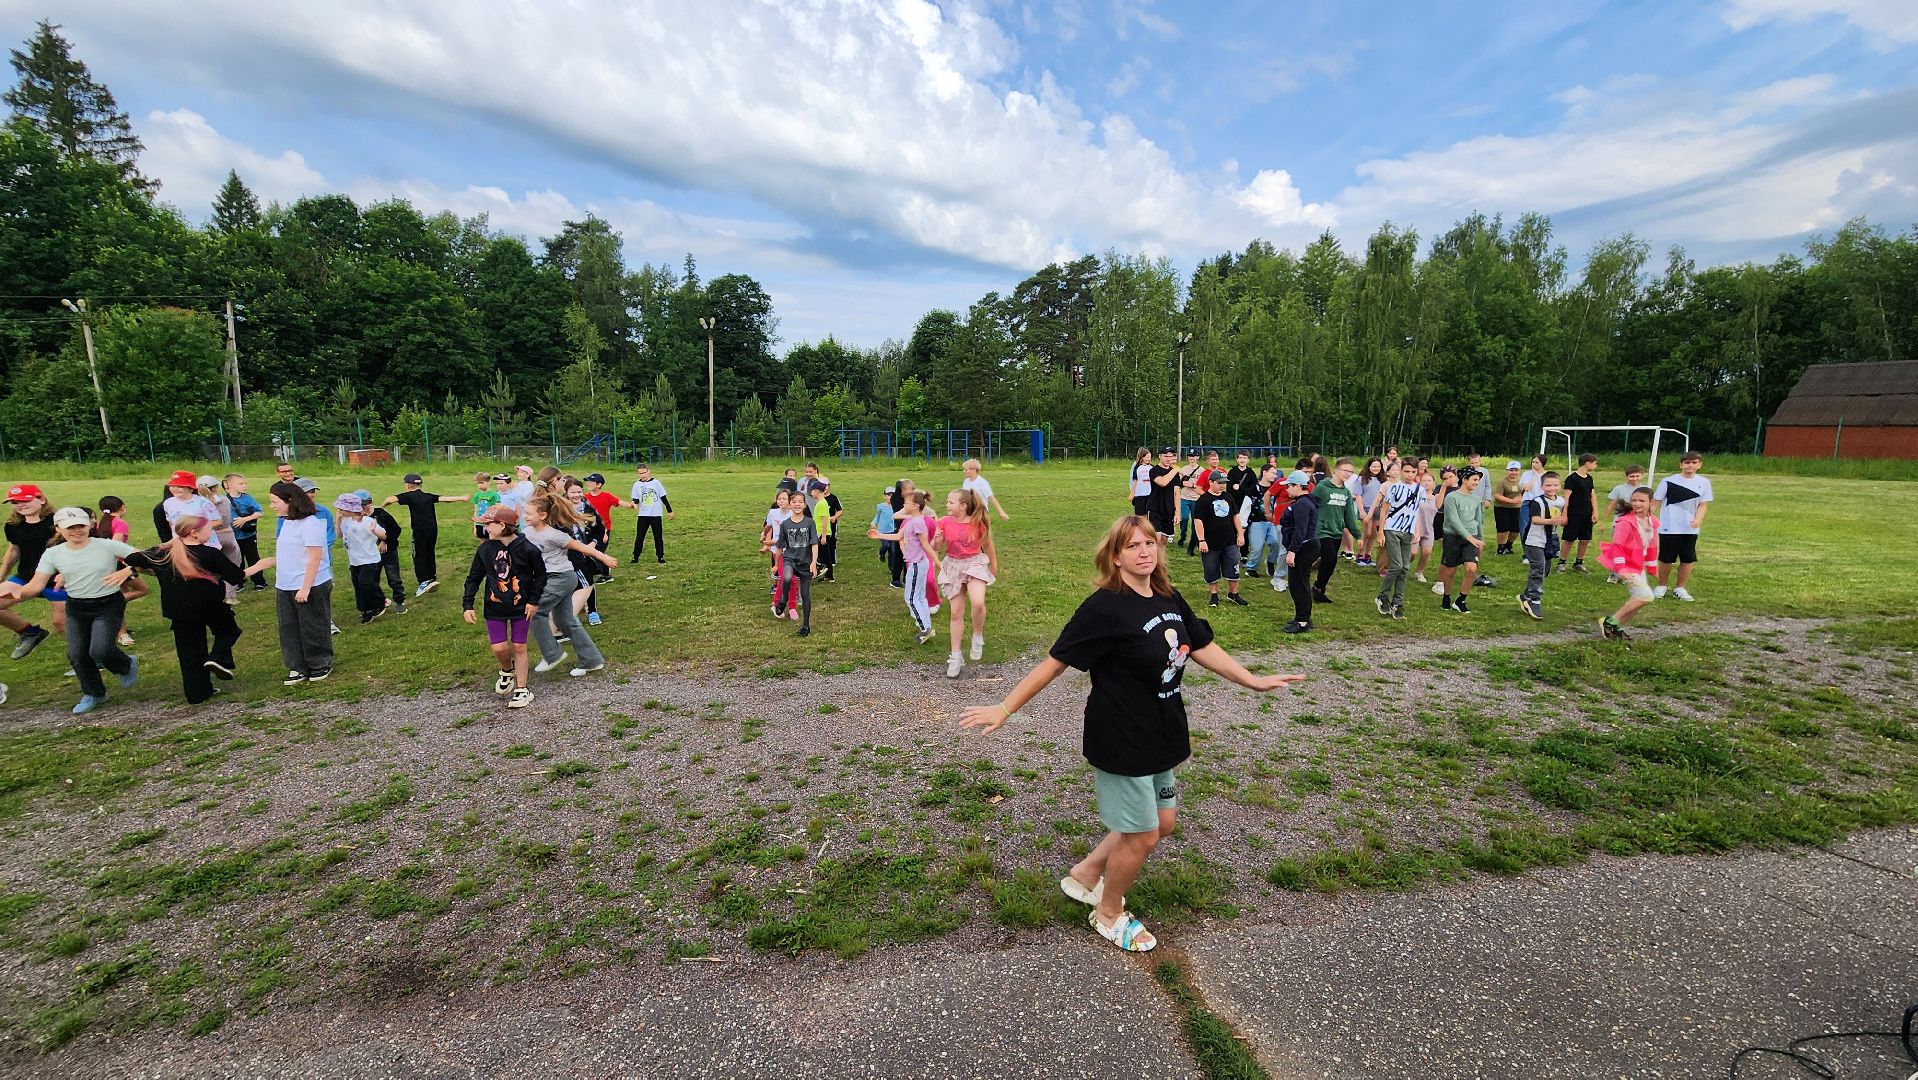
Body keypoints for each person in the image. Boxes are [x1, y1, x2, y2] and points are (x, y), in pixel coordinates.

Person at [958, 515, 1305, 953]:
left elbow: (1200, 645)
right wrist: (1005, 707)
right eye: (1132, 546)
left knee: (1161, 824)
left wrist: (1252, 681)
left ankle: (1086, 873)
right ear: (1116, 557)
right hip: (1122, 737)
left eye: (1149, 543)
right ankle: (1108, 912)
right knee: (1142, 835)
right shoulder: (1103, 608)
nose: (1144, 552)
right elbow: (1055, 662)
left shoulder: (1167, 596)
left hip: (1162, 730)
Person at [0, 506, 139, 712]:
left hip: (107, 604)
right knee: (77, 654)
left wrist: (130, 570)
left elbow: (147, 557)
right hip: (77, 607)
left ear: (89, 525)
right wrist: (15, 594)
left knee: (100, 650)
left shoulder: (106, 545)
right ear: (58, 529)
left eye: (80, 526)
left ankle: (126, 665)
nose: (76, 531)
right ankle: (94, 694)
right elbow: (36, 585)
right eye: (69, 527)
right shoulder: (53, 554)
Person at [122, 514, 244, 705]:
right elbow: (235, 576)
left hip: (178, 609)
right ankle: (217, 658)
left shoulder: (164, 555)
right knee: (228, 630)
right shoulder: (210, 554)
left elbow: (132, 557)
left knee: (189, 651)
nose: (210, 532)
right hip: (209, 605)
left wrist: (161, 548)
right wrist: (259, 566)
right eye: (208, 529)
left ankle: (197, 693)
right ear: (194, 533)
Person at [247, 480, 334, 685]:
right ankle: (297, 666)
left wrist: (305, 587)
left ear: (290, 501)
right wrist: (259, 566)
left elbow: (315, 557)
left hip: (310, 584)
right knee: (289, 627)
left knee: (312, 625)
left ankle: (319, 664)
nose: (271, 506)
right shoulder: (286, 522)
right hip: (285, 584)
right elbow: (289, 554)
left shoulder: (311, 523)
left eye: (274, 501)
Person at [522, 493, 615, 677]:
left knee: (536, 610)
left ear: (542, 515)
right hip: (547, 578)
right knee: (565, 621)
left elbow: (583, 548)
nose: (525, 516)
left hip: (562, 578)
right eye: (525, 512)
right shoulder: (527, 532)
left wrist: (604, 557)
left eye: (529, 513)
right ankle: (592, 660)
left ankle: (552, 655)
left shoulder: (555, 535)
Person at [461, 504, 544, 709]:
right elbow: (473, 578)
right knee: (499, 648)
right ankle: (507, 670)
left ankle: (522, 689)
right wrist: (468, 604)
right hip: (495, 606)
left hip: (521, 606)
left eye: (489, 524)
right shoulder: (485, 549)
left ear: (502, 525)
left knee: (519, 646)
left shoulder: (529, 549)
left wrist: (533, 601)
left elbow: (541, 577)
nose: (486, 528)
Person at [936, 488, 998, 677]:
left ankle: (977, 636)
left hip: (974, 563)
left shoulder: (977, 523)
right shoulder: (944, 521)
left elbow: (988, 545)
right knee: (956, 613)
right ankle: (956, 656)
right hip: (953, 565)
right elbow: (936, 547)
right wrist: (937, 540)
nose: (946, 504)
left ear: (963, 506)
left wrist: (993, 566)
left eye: (950, 502)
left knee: (978, 603)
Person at [867, 489, 941, 644]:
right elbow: (898, 536)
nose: (903, 505)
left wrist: (937, 562)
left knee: (911, 598)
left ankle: (925, 629)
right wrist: (879, 535)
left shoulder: (918, 522)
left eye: (906, 503)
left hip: (917, 564)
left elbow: (926, 545)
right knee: (919, 597)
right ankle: (926, 626)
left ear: (915, 506)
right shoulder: (911, 521)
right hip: (916, 564)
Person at [1, 483, 61, 658]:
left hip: (57, 582)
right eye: (15, 502)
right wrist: (2, 575)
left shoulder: (57, 522)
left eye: (25, 500)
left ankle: (96, 656)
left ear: (41, 499)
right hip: (26, 580)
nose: (20, 505)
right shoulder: (13, 525)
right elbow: (14, 550)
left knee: (62, 623)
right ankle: (30, 633)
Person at [385, 473, 467, 597]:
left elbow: (390, 499)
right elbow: (445, 499)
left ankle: (423, 582)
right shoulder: (427, 496)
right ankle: (431, 578)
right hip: (432, 529)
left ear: (409, 485)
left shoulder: (408, 496)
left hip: (419, 530)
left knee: (419, 555)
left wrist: (382, 507)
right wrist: (461, 498)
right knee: (429, 552)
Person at [1599, 487, 1659, 640]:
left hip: (1638, 565)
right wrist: (1621, 568)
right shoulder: (1625, 522)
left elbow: (1652, 546)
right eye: (1634, 500)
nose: (1637, 504)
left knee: (1637, 599)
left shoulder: (1652, 521)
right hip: (1626, 565)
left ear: (1651, 502)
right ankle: (1610, 621)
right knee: (1646, 596)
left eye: (1641, 501)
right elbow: (1618, 547)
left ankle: (1618, 628)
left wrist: (1652, 567)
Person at [1652, 452, 1711, 603]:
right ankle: (1661, 586)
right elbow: (1656, 502)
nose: (1690, 465)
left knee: (1687, 559)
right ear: (1681, 464)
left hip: (1689, 530)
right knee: (1666, 558)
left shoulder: (1704, 483)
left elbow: (1703, 505)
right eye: (1687, 462)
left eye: (1694, 462)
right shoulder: (1668, 481)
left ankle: (1680, 588)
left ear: (1699, 465)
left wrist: (1698, 520)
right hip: (1669, 527)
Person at [1374, 463, 1425, 620]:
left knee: (1405, 567)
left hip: (1407, 530)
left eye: (1413, 471)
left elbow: (1416, 511)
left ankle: (1398, 602)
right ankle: (1382, 596)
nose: (1410, 474)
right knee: (1396, 564)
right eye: (1407, 471)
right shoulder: (1394, 487)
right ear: (1401, 471)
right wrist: (1381, 532)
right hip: (1392, 528)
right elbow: (1384, 509)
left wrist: (1417, 530)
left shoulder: (1420, 490)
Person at [1193, 470, 1249, 608]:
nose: (1222, 486)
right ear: (1211, 482)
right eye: (1219, 483)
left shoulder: (1228, 497)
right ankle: (1214, 595)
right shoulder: (1203, 500)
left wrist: (1240, 534)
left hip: (1229, 541)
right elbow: (1198, 520)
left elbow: (1236, 515)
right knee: (1211, 569)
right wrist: (1201, 540)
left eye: (1224, 483)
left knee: (1233, 568)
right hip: (1211, 543)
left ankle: (1233, 594)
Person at [1310, 458, 1362, 606]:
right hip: (1322, 530)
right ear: (1336, 470)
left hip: (1337, 532)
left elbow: (1349, 516)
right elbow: (1310, 506)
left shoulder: (1346, 493)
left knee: (1330, 563)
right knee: (1330, 558)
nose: (1348, 474)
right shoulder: (1322, 487)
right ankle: (1312, 581)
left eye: (1351, 472)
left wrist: (1358, 535)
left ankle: (1319, 589)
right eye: (1345, 470)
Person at [1517, 472, 1566, 620]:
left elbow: (1562, 517)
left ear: (1560, 486)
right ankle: (1534, 599)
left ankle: (1526, 596)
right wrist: (1551, 521)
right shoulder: (1537, 501)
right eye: (1548, 485)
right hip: (1534, 540)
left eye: (1555, 485)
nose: (1552, 488)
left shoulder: (1561, 501)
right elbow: (1535, 519)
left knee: (1545, 569)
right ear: (1542, 486)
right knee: (1538, 567)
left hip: (1550, 540)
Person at [772, 487, 820, 636]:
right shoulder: (785, 524)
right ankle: (783, 600)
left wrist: (814, 563)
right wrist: (776, 564)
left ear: (805, 505)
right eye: (794, 501)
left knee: (805, 594)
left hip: (805, 562)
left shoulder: (810, 523)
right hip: (790, 559)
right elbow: (780, 547)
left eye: (800, 502)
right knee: (786, 577)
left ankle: (806, 625)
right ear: (790, 504)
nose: (797, 504)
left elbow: (814, 544)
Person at [334, 493, 388, 625]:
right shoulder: (346, 521)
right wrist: (338, 520)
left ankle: (380, 602)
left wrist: (374, 530)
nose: (339, 510)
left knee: (366, 583)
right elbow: (339, 535)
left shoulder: (367, 521)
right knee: (358, 586)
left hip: (369, 559)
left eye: (341, 508)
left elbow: (384, 535)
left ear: (350, 509)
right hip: (355, 561)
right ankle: (365, 610)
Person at [1438, 468, 1486, 614]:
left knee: (1471, 568)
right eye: (1474, 479)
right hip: (1453, 537)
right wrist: (1469, 537)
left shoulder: (1476, 499)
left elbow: (1479, 520)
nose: (1476, 483)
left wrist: (1480, 539)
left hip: (1472, 537)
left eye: (1478, 480)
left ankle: (1461, 600)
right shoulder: (1452, 497)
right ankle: (1446, 597)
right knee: (1450, 570)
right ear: (1464, 479)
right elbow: (1453, 520)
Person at [1276, 471, 1319, 632]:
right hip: (1306, 545)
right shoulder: (1305, 502)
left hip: (1304, 547)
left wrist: (1292, 551)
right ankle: (1302, 616)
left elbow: (1300, 530)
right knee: (1300, 583)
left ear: (1298, 486)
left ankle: (1302, 621)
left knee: (1298, 585)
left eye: (1289, 486)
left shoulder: (1302, 504)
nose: (1287, 489)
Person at [357, 488, 407, 612]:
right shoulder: (357, 518)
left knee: (393, 577)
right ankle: (379, 602)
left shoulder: (380, 513)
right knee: (372, 580)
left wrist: (385, 541)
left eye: (366, 503)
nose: (364, 507)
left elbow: (395, 529)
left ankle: (400, 601)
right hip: (370, 554)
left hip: (388, 551)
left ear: (371, 502)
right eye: (361, 504)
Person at [1605, 464, 1648, 584]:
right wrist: (1604, 521)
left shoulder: (1645, 489)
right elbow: (1611, 505)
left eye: (1637, 476)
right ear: (1626, 477)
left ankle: (1628, 574)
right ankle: (1614, 573)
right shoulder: (1619, 489)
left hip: (1638, 525)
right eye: (1631, 476)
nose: (1634, 478)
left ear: (1642, 476)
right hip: (1620, 524)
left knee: (1632, 550)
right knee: (1618, 549)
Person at [224, 475, 268, 592]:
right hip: (233, 536)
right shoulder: (224, 500)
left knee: (253, 558)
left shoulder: (247, 498)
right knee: (236, 559)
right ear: (229, 485)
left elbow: (259, 512)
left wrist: (245, 519)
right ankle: (239, 581)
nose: (244, 486)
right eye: (241, 484)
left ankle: (259, 581)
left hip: (248, 535)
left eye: (245, 483)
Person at [1559, 453, 1598, 573]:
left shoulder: (1589, 478)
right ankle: (1562, 562)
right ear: (1587, 463)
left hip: (1586, 513)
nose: (1595, 466)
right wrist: (1564, 514)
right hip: (1574, 513)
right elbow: (1566, 498)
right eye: (1595, 463)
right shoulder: (1572, 479)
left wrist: (1595, 512)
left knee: (1585, 539)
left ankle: (1579, 562)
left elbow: (1592, 496)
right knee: (1569, 539)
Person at [163, 471, 222, 549]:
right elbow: (171, 523)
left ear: (190, 488)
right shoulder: (168, 503)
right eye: (172, 486)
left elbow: (217, 521)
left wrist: (196, 529)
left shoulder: (202, 502)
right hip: (182, 544)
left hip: (206, 544)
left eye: (180, 486)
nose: (175, 489)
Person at [580, 473, 622, 583]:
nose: (588, 484)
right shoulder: (585, 498)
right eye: (588, 482)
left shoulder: (606, 496)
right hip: (589, 530)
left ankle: (606, 574)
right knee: (590, 551)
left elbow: (618, 502)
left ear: (599, 485)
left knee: (598, 551)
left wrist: (632, 505)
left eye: (591, 482)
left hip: (603, 529)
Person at [1242, 462, 1280, 580]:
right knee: (1257, 547)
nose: (1274, 475)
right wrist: (1243, 523)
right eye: (1272, 473)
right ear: (1264, 473)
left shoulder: (1275, 488)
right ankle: (1251, 568)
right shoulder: (1254, 489)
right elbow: (1246, 506)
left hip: (1272, 522)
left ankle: (1271, 562)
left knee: (1276, 542)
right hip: (1257, 522)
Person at [629, 461, 672, 564]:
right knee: (640, 537)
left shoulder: (656, 483)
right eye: (640, 473)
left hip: (656, 515)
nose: (642, 475)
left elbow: (663, 497)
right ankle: (635, 557)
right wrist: (634, 503)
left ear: (648, 471)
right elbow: (636, 499)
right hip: (643, 515)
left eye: (644, 472)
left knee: (658, 537)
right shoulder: (637, 485)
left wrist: (669, 511)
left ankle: (660, 557)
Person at [1143, 447, 1181, 542]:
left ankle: (1161, 553)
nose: (1168, 459)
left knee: (1164, 540)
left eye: (1171, 456)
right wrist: (1175, 469)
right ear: (1160, 456)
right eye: (1166, 456)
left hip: (1168, 510)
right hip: (1155, 509)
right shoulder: (1154, 470)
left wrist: (1177, 513)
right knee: (1156, 538)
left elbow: (1176, 493)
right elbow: (1162, 482)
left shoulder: (1174, 472)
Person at [1352, 457, 1384, 567]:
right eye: (1374, 466)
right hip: (1366, 508)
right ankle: (1360, 554)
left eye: (1378, 466)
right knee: (1367, 533)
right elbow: (1358, 496)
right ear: (1369, 466)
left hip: (1378, 509)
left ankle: (1368, 555)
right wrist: (1361, 511)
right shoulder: (1362, 479)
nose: (1376, 468)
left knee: (1374, 533)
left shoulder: (1382, 480)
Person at [1491, 461, 1525, 556]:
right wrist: (1511, 501)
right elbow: (1497, 496)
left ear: (1519, 471)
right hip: (1502, 507)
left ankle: (1508, 545)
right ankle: (1500, 548)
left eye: (1516, 470)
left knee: (1516, 529)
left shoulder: (1522, 481)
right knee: (1503, 528)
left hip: (1517, 508)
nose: (1513, 472)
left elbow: (1525, 492)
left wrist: (1520, 498)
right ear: (1507, 470)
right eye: (1511, 470)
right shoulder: (1502, 482)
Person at [812, 479, 842, 582]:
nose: (811, 493)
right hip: (820, 532)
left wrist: (823, 536)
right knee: (825, 554)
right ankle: (828, 575)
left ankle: (824, 570)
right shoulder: (821, 502)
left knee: (824, 554)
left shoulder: (822, 503)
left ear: (817, 491)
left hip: (822, 533)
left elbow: (825, 520)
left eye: (812, 491)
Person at [961, 458, 1008, 522]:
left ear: (973, 470)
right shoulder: (966, 481)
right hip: (969, 512)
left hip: (981, 513)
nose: (964, 471)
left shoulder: (982, 482)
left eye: (966, 469)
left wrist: (1001, 512)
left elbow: (991, 498)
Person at [872, 488, 902, 589]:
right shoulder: (880, 506)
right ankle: (881, 553)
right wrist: (874, 523)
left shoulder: (896, 507)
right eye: (888, 495)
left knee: (893, 551)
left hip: (892, 531)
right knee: (886, 546)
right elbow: (877, 516)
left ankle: (892, 568)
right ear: (884, 496)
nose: (890, 497)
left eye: (892, 495)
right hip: (882, 532)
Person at [1176, 451, 1203, 553]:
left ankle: (1194, 540)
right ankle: (1182, 536)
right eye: (1189, 456)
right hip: (1184, 498)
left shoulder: (1202, 471)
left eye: (1193, 456)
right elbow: (1179, 482)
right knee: (1184, 518)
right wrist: (1183, 482)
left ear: (1197, 457)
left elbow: (1202, 485)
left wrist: (1192, 485)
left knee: (1195, 522)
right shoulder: (1183, 469)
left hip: (1196, 499)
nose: (1191, 458)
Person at [470, 472, 502, 540]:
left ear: (489, 482)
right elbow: (476, 510)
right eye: (478, 483)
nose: (480, 485)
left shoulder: (494, 494)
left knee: (492, 540)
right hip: (479, 522)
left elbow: (497, 509)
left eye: (482, 483)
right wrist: (475, 524)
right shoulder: (477, 495)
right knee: (482, 539)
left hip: (490, 522)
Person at [1129, 448, 1153, 515]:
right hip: (1139, 495)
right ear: (1142, 457)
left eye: (1150, 457)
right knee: (1140, 516)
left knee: (1150, 514)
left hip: (1150, 495)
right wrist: (1132, 493)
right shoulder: (1137, 467)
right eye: (1147, 457)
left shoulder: (1151, 467)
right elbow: (1135, 480)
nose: (1149, 459)